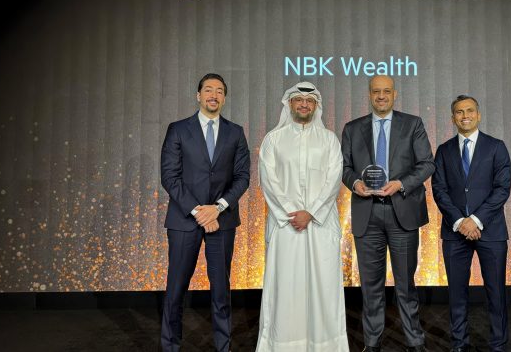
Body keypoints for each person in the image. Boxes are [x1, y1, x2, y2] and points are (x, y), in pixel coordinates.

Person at [341, 75, 435, 352]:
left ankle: (415, 341)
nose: (381, 96)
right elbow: (344, 167)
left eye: (386, 91)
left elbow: (427, 164)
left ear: (395, 94)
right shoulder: (352, 128)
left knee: (406, 285)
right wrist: (355, 183)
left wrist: (400, 184)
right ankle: (372, 343)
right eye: (376, 92)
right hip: (367, 214)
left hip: (401, 213)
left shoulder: (413, 124)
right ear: (369, 95)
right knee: (370, 286)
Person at [160, 73, 250, 352]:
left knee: (221, 291)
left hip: (222, 222)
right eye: (208, 90)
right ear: (198, 95)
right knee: (176, 290)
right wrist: (199, 211)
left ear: (224, 98)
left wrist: (218, 208)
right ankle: (170, 346)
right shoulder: (178, 129)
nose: (214, 95)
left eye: (219, 91)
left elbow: (243, 177)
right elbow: (169, 176)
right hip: (184, 220)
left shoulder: (235, 132)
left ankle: (223, 347)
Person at [256, 82, 347, 351]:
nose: (304, 104)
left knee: (324, 288)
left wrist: (312, 213)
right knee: (286, 287)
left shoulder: (329, 140)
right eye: (299, 100)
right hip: (286, 226)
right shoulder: (273, 139)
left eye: (310, 100)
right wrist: (292, 213)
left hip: (321, 225)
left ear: (316, 106)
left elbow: (334, 179)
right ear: (290, 104)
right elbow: (268, 180)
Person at [432, 95, 511, 352]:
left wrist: (475, 220)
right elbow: (439, 190)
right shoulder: (443, 150)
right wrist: (460, 222)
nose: (464, 115)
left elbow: (502, 189)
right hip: (454, 233)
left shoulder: (496, 147)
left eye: (469, 111)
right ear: (452, 118)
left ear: (478, 115)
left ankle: (498, 345)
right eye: (459, 112)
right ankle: (459, 345)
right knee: (456, 294)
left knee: (496, 294)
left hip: (492, 231)